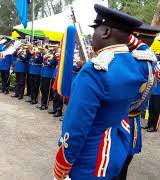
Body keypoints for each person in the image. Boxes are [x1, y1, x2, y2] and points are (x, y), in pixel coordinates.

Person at [53, 4, 150, 179]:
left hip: (89, 161)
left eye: (96, 29)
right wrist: (128, 35)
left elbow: (76, 128)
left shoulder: (95, 71)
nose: (92, 35)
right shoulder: (138, 66)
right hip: (115, 151)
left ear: (106, 33)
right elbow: (147, 52)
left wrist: (62, 163)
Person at [114, 24, 160, 180]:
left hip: (120, 120)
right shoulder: (152, 62)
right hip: (133, 119)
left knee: (114, 164)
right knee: (124, 163)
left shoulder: (132, 62)